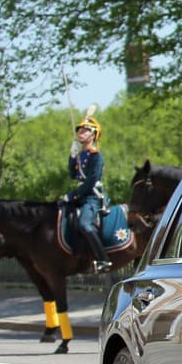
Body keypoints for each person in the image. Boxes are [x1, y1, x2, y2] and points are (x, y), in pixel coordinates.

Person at [61, 114, 112, 273]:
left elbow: (91, 181)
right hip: (81, 195)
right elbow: (72, 174)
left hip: (91, 196)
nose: (80, 133)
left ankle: (103, 260)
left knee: (84, 224)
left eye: (85, 131)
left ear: (93, 135)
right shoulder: (81, 155)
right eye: (80, 131)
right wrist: (72, 157)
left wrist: (73, 195)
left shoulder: (96, 156)